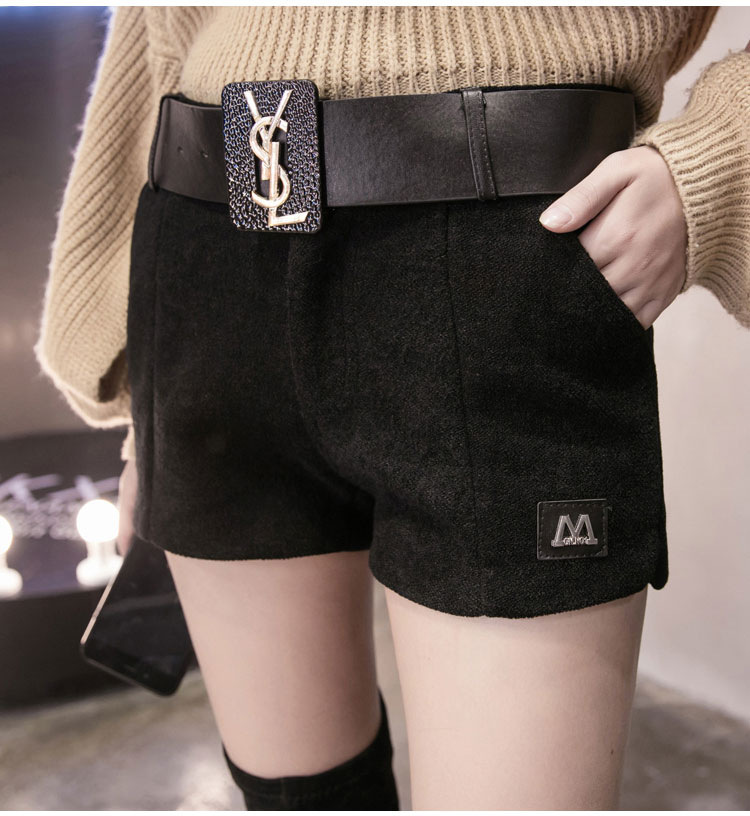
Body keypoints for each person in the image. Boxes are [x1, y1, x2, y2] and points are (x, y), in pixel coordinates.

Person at [35, 6, 750, 810]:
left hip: (504, 262)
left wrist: (721, 160)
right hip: (211, 261)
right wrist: (143, 413)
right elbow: (157, 33)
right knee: (299, 799)